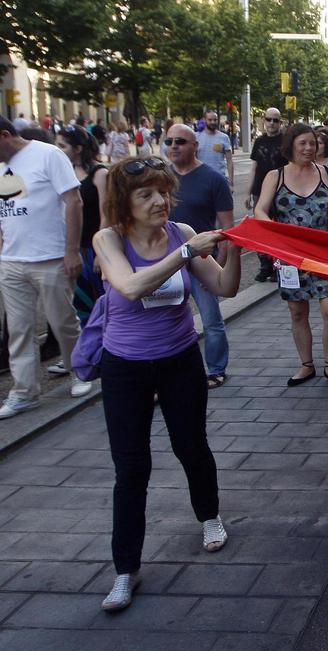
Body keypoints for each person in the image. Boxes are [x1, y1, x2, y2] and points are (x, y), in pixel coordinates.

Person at [91, 155, 242, 612]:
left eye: (163, 192)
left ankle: (209, 516)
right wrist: (184, 255)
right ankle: (125, 569)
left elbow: (225, 288)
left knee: (191, 446)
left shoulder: (183, 233)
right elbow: (131, 286)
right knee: (131, 468)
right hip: (125, 368)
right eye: (147, 195)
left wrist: (233, 250)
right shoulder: (108, 239)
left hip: (179, 360)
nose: (160, 201)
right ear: (125, 203)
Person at [253, 124, 328, 389]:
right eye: (302, 143)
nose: (308, 148)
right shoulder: (276, 176)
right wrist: (276, 235)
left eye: (312, 144)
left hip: (325, 255)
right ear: (291, 145)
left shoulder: (326, 173)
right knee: (297, 312)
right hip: (290, 258)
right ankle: (306, 364)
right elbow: (261, 210)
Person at [0, 116, 92, 418]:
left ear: (4, 135)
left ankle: (79, 372)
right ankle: (24, 391)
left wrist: (70, 251)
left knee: (63, 321)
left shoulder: (47, 154)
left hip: (50, 258)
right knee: (19, 329)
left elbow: (73, 201)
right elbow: (10, 207)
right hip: (12, 261)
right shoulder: (2, 166)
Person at [163, 124, 234, 389]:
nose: (173, 146)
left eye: (180, 141)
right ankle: (170, 371)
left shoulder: (213, 179)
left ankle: (216, 369)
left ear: (195, 145)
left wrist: (221, 267)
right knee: (166, 320)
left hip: (202, 260)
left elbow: (227, 228)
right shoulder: (160, 179)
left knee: (211, 320)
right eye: (168, 141)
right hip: (166, 262)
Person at [54, 125, 108, 328]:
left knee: (102, 303)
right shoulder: (63, 171)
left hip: (93, 250)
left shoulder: (99, 173)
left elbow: (106, 214)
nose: (57, 150)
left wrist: (102, 252)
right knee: (79, 307)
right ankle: (88, 353)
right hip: (71, 247)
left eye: (62, 146)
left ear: (78, 148)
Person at [247, 108, 286, 282]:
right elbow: (254, 167)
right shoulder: (259, 141)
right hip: (259, 191)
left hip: (280, 191)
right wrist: (248, 192)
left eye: (275, 120)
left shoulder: (286, 141)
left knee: (279, 228)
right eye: (269, 119)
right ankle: (265, 266)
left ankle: (279, 265)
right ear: (264, 120)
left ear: (280, 122)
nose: (271, 123)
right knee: (260, 229)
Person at [195, 110, 233, 187]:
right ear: (204, 120)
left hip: (220, 180)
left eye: (215, 120)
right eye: (210, 120)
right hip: (201, 180)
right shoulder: (196, 137)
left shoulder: (224, 137)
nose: (213, 122)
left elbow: (229, 161)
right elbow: (192, 159)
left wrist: (231, 183)